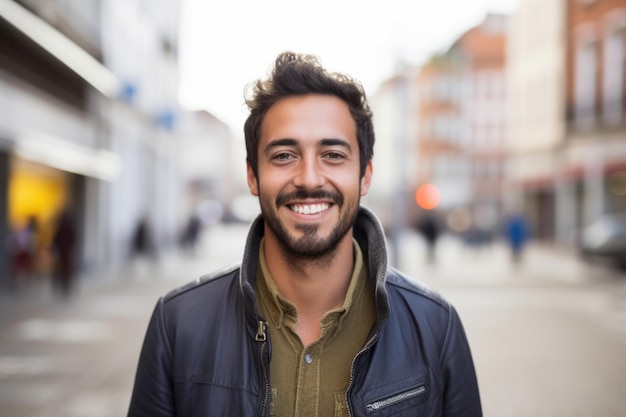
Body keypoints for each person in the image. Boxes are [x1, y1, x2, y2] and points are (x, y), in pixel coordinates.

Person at [127, 52, 482, 416]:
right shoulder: (178, 325)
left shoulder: (436, 328)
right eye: (284, 155)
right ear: (252, 175)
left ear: (365, 175)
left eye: (332, 155)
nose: (310, 178)